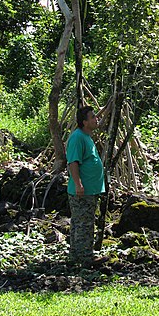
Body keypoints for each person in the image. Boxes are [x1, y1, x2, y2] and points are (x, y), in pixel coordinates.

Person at [66, 105, 108, 267]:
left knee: (80, 222)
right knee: (84, 223)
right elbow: (73, 162)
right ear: (84, 122)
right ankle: (85, 258)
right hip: (83, 190)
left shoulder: (86, 136)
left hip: (90, 190)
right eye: (92, 117)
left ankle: (76, 256)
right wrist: (79, 184)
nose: (96, 119)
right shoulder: (77, 138)